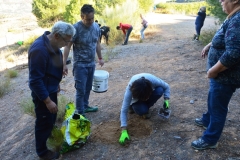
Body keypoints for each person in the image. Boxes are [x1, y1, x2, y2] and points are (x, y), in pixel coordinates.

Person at [191, 0, 240, 150]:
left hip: (226, 76)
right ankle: (207, 119)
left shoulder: (238, 20)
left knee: (218, 105)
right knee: (213, 98)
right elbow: (225, 37)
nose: (220, 1)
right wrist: (210, 44)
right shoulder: (233, 16)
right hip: (221, 76)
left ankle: (211, 139)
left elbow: (233, 53)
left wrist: (214, 70)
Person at [28, 21, 75, 159]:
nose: (67, 44)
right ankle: (42, 152)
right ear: (56, 36)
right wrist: (47, 101)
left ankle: (48, 135)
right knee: (43, 121)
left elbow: (54, 63)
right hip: (43, 94)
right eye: (66, 41)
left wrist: (59, 73)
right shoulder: (39, 50)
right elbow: (35, 81)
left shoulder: (54, 45)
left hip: (51, 88)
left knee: (51, 117)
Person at [63, 4, 104, 116]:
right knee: (80, 90)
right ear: (82, 16)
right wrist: (64, 63)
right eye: (88, 19)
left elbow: (97, 43)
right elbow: (67, 46)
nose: (90, 21)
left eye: (92, 18)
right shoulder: (75, 28)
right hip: (80, 65)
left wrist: (100, 58)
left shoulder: (96, 27)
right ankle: (80, 113)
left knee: (88, 87)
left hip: (91, 63)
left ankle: (85, 106)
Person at [119, 73, 170, 145]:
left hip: (147, 92)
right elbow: (124, 110)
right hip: (136, 99)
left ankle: (144, 106)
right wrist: (124, 130)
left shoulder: (153, 80)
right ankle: (133, 107)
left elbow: (166, 86)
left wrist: (166, 99)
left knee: (160, 90)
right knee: (142, 110)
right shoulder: (130, 89)